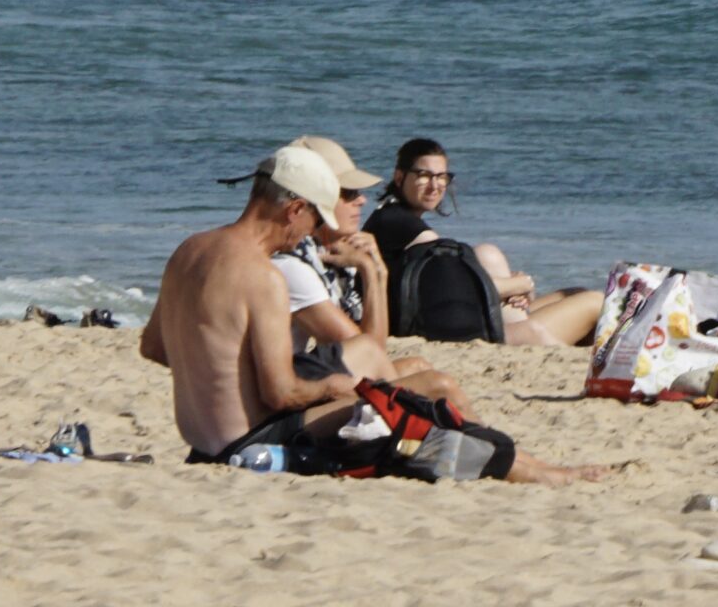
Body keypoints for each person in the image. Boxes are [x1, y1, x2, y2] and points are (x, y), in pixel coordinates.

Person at [141, 145, 599, 483]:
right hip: (249, 445)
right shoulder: (262, 276)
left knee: (390, 375)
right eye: (313, 219)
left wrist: (218, 375)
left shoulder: (190, 250)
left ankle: (525, 464)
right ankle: (529, 470)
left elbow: (154, 347)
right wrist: (334, 387)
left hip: (203, 444)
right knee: (423, 392)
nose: (314, 230)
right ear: (293, 208)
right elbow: (281, 394)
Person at [366, 137, 604, 347]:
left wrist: (512, 290)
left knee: (572, 293)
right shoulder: (400, 224)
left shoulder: (389, 218)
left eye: (441, 177)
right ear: (399, 177)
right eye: (424, 175)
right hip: (456, 328)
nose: (435, 185)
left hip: (457, 318)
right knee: (595, 302)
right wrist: (519, 285)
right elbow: (455, 286)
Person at [265, 135, 432, 383]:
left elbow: (372, 356)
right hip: (285, 395)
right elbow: (370, 356)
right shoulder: (291, 264)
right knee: (428, 380)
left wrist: (378, 273)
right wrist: (371, 271)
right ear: (313, 198)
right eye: (349, 192)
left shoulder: (323, 257)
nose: (362, 200)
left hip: (297, 378)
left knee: (418, 367)